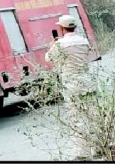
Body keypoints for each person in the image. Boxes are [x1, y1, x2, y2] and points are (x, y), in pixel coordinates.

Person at [44, 14, 95, 160]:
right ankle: (99, 146)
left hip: (72, 85)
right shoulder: (84, 41)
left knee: (77, 118)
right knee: (92, 115)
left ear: (61, 28)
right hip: (87, 82)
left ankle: (83, 153)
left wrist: (52, 46)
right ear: (75, 27)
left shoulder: (60, 45)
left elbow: (49, 59)